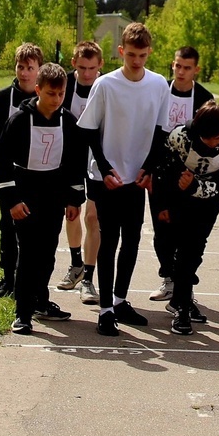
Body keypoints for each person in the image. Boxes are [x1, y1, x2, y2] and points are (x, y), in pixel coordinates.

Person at [78, 23, 170, 336]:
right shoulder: (105, 85)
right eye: (131, 54)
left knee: (132, 239)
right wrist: (103, 167)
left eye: (142, 55)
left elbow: (161, 131)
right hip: (106, 178)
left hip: (135, 177)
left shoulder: (159, 85)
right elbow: (88, 129)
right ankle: (104, 310)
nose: (136, 60)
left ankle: (119, 301)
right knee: (109, 238)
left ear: (150, 52)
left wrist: (149, 167)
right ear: (121, 51)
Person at [0, 63, 84, 335]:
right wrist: (12, 200)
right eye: (50, 94)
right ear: (38, 90)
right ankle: (23, 312)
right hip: (26, 194)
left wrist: (73, 199)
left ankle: (41, 302)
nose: (56, 100)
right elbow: (2, 163)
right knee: (29, 255)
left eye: (60, 94)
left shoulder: (67, 121)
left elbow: (74, 162)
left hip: (54, 195)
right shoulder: (20, 120)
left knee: (47, 254)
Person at [148, 101, 219, 335]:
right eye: (207, 139)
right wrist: (162, 203)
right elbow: (161, 169)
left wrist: (196, 186)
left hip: (206, 205)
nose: (214, 143)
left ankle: (182, 307)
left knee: (191, 252)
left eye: (218, 138)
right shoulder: (179, 137)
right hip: (175, 199)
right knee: (165, 244)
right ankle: (180, 292)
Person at [149, 46, 216, 303]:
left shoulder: (205, 98)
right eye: (177, 66)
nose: (181, 71)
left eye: (187, 67)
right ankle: (168, 278)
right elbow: (151, 132)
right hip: (160, 172)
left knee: (186, 232)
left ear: (196, 69)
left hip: (189, 175)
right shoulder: (160, 91)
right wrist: (148, 169)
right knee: (161, 230)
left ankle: (185, 285)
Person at [0, 42, 44, 299]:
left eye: (30, 68)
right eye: (20, 67)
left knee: (35, 230)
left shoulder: (45, 99)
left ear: (39, 70)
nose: (24, 72)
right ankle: (7, 277)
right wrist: (1, 177)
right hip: (9, 174)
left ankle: (32, 281)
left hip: (36, 174)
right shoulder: (2, 99)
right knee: (8, 225)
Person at [57, 41, 103, 305]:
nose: (87, 74)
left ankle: (88, 279)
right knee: (72, 213)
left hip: (97, 159)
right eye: (82, 68)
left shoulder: (106, 87)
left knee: (93, 218)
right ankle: (76, 265)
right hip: (70, 160)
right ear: (73, 64)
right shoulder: (65, 85)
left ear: (100, 66)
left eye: (92, 68)